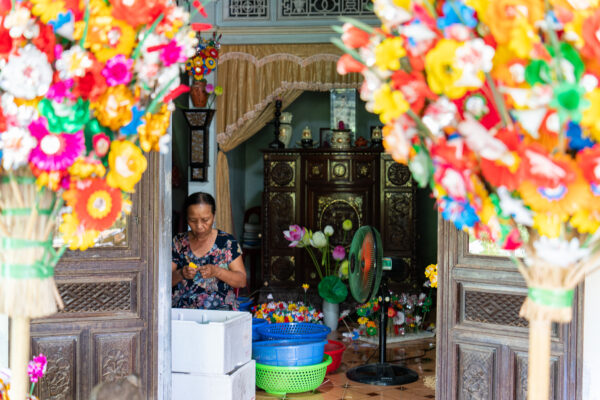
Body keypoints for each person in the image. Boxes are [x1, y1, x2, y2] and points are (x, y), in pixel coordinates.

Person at [171, 192, 246, 310]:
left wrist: (217, 271)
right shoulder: (178, 242)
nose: (199, 226)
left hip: (220, 311)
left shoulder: (227, 242)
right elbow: (163, 282)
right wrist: (181, 274)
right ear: (186, 218)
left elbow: (241, 281)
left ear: (214, 216)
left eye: (205, 220)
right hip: (183, 313)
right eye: (193, 220)